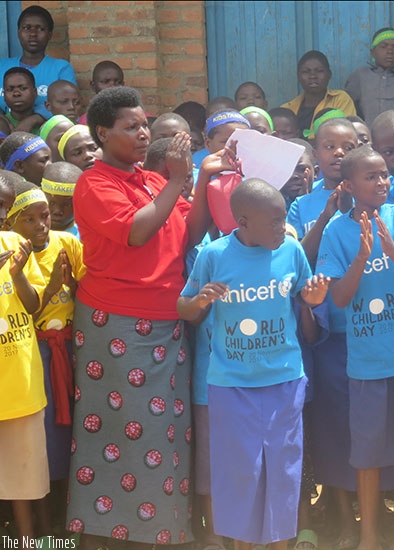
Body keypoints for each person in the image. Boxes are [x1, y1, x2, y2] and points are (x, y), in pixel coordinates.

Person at [65, 86, 215, 548]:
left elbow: (189, 232)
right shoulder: (95, 184)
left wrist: (204, 177)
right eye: (130, 127)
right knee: (119, 434)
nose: (143, 133)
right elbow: (136, 233)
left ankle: (162, 529)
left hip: (167, 324)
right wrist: (175, 180)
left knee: (165, 432)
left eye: (144, 123)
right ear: (102, 133)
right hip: (117, 327)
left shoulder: (151, 182)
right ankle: (105, 532)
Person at [178, 178, 328, 550]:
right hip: (232, 384)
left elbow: (305, 296)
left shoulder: (291, 249)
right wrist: (199, 302)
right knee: (241, 473)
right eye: (274, 221)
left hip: (284, 380)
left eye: (283, 219)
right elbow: (184, 306)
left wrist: (313, 299)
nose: (283, 227)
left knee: (282, 471)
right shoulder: (214, 255)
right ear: (242, 222)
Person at [317, 145, 394, 550]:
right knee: (367, 453)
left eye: (385, 175)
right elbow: (337, 300)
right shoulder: (338, 231)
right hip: (367, 361)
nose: (383, 182)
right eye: (371, 177)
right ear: (349, 186)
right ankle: (369, 537)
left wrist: (393, 253)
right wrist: (362, 258)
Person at [9, 178, 85, 538]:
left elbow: (88, 290)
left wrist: (71, 286)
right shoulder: (14, 256)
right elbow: (25, 312)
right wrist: (53, 286)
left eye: (45, 217)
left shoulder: (68, 243)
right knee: (44, 438)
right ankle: (45, 520)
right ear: (11, 224)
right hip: (35, 353)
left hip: (70, 350)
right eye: (31, 220)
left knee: (72, 432)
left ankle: (69, 515)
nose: (42, 225)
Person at [0, 174, 49, 544]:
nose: (2, 215)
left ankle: (27, 540)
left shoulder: (15, 243)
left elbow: (32, 306)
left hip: (19, 383)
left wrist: (17, 276)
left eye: (5, 207)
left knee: (23, 475)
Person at [287, 117, 357, 263]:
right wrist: (325, 217)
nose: (339, 152)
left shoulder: (370, 194)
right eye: (330, 147)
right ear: (316, 154)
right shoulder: (300, 205)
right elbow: (299, 259)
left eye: (348, 148)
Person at [0, 5, 77, 122]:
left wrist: (34, 119)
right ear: (18, 32)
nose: (33, 34)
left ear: (49, 34)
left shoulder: (61, 68)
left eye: (40, 28)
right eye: (27, 28)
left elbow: (69, 106)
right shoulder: (2, 66)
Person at [345, 28, 394, 126]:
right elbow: (346, 104)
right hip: (369, 138)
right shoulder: (361, 76)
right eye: (383, 47)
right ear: (372, 52)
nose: (390, 51)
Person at [284, 51, 356, 135]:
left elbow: (348, 133)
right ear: (298, 76)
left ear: (329, 74)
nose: (312, 76)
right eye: (306, 72)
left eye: (319, 71)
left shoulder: (340, 99)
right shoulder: (288, 109)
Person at [41, 161, 81, 235]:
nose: (57, 211)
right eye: (51, 203)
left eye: (67, 205)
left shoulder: (86, 236)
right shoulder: (23, 233)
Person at [4, 67, 40, 134]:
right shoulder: (3, 125)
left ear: (35, 93)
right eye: (10, 89)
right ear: (4, 95)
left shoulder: (46, 123)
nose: (16, 93)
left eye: (23, 88)